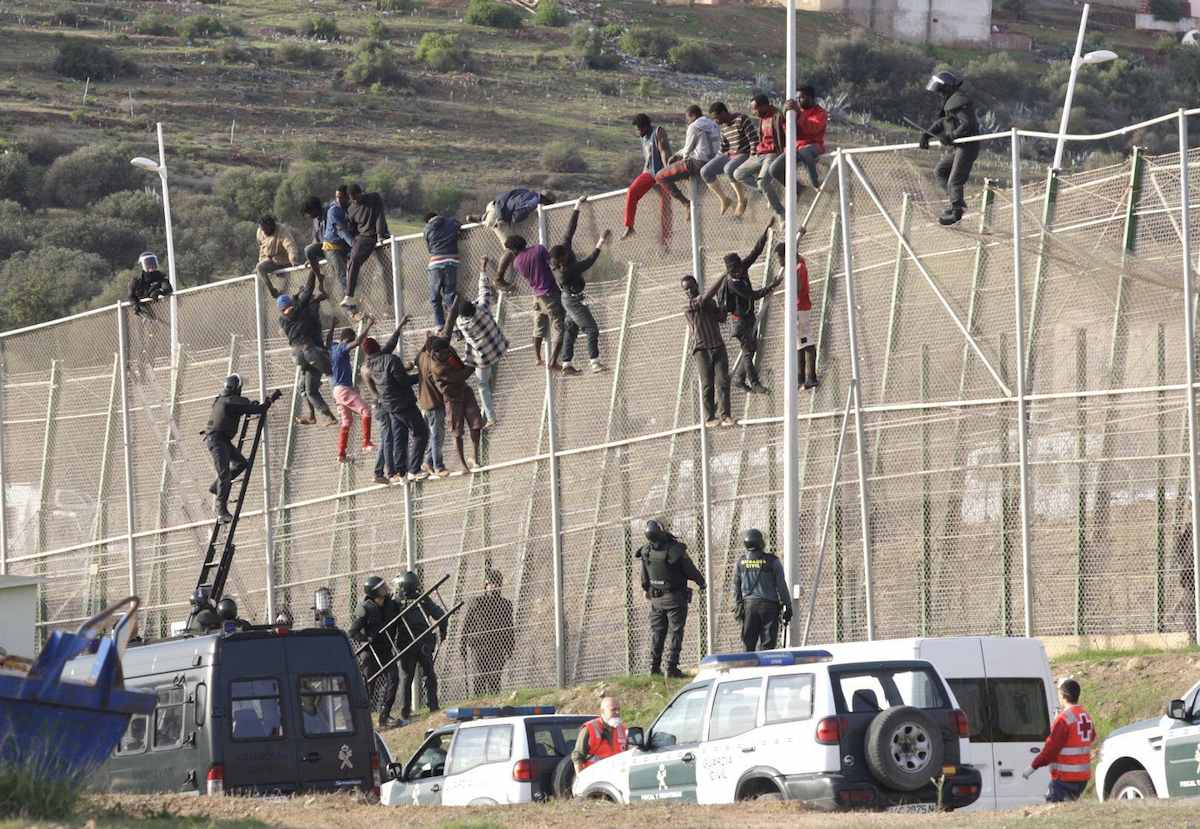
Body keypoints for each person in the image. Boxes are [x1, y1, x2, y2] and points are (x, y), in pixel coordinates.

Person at [261, 268, 338, 426]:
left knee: (307, 389)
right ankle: (344, 400)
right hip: (309, 350)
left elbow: (307, 297)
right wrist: (313, 269)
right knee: (333, 373)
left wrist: (305, 297)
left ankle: (325, 416)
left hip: (296, 356)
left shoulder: (282, 319)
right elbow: (309, 289)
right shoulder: (300, 309)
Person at [548, 197, 612, 376]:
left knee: (571, 329)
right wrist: (601, 241)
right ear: (561, 259)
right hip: (573, 301)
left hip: (570, 298)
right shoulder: (565, 270)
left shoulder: (562, 253)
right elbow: (589, 261)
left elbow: (570, 230)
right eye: (566, 254)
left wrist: (577, 205)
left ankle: (566, 364)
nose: (569, 252)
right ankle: (595, 363)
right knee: (592, 329)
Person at [202, 374, 277, 524]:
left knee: (241, 463)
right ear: (236, 388)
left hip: (221, 440)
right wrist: (269, 401)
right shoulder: (231, 402)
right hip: (217, 440)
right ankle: (221, 510)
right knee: (225, 475)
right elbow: (258, 409)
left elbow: (245, 408)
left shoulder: (221, 399)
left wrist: (251, 406)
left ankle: (216, 487)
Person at [362, 320, 430, 484]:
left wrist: (399, 328)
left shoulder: (369, 366)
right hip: (403, 404)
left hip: (390, 407)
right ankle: (414, 469)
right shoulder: (391, 360)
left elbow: (390, 345)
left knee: (400, 438)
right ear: (378, 347)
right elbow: (404, 382)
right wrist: (422, 377)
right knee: (421, 433)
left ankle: (401, 473)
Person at [638, 519, 706, 678]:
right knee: (676, 633)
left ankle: (654, 667)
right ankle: (671, 668)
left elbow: (643, 576)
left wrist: (646, 589)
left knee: (658, 633)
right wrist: (701, 582)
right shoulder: (676, 550)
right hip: (675, 598)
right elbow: (690, 570)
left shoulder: (646, 551)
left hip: (656, 600)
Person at [722, 225, 782, 394]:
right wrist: (772, 286)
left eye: (741, 267)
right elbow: (752, 295)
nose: (741, 271)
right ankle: (754, 383)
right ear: (731, 271)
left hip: (748, 317)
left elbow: (755, 253)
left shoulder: (741, 270)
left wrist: (765, 234)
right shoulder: (733, 284)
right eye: (737, 270)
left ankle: (739, 379)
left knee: (750, 349)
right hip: (740, 322)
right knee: (748, 351)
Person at [495, 234, 566, 369]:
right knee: (560, 328)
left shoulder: (517, 263)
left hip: (537, 296)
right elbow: (552, 264)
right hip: (550, 294)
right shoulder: (539, 249)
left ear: (513, 250)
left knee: (538, 328)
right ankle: (553, 361)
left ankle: (538, 358)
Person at [452, 261, 508, 428]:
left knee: (482, 385)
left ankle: (491, 417)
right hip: (499, 348)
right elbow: (484, 290)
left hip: (483, 359)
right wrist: (482, 268)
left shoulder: (462, 324)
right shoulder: (482, 308)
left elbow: (457, 329)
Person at [919, 71, 979, 227]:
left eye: (940, 91)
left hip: (967, 147)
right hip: (958, 147)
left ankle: (957, 213)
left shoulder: (960, 101)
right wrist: (926, 135)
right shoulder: (952, 101)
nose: (939, 94)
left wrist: (950, 136)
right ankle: (956, 204)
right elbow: (942, 122)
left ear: (945, 88)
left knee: (954, 181)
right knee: (940, 171)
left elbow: (968, 124)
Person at [422, 326, 483, 472]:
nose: (448, 353)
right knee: (457, 432)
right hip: (453, 398)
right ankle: (463, 464)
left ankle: (474, 457)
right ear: (436, 353)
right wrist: (475, 363)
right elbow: (460, 376)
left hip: (465, 391)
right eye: (444, 352)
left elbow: (449, 324)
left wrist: (456, 304)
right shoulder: (437, 367)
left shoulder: (447, 350)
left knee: (476, 424)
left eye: (448, 350)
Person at [1023, 678, 1094, 802]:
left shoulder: (1063, 719)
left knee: (1054, 810)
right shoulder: (1085, 715)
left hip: (1065, 777)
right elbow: (1090, 736)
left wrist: (1032, 768)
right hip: (1082, 777)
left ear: (1062, 696)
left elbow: (1051, 749)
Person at [393, 571, 448, 719]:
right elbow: (442, 616)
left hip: (406, 645)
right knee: (429, 674)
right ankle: (433, 705)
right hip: (424, 642)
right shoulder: (423, 599)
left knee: (406, 677)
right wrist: (443, 633)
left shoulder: (397, 602)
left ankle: (405, 711)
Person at [349, 575, 401, 729]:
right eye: (381, 588)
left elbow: (400, 612)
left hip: (385, 650)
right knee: (369, 687)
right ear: (374, 592)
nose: (384, 590)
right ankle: (362, 720)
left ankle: (385, 716)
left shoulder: (390, 604)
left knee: (394, 678)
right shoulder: (365, 607)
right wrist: (366, 639)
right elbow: (353, 632)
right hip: (370, 653)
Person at [681, 272, 732, 427]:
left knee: (723, 381)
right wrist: (723, 276)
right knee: (707, 384)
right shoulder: (688, 307)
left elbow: (721, 318)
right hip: (701, 350)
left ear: (696, 285)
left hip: (717, 345)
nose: (689, 292)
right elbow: (706, 297)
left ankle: (725, 416)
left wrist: (724, 304)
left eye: (690, 288)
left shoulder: (709, 302)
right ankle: (710, 418)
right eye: (686, 290)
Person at [327, 315, 376, 464]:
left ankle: (341, 453)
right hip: (343, 389)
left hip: (337, 391)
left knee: (346, 421)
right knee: (366, 410)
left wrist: (333, 325)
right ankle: (366, 443)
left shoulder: (333, 347)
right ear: (347, 339)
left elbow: (328, 341)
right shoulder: (341, 348)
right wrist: (368, 326)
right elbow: (356, 342)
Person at [733, 528, 792, 651]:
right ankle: (766, 669)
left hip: (749, 607)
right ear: (761, 543)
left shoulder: (741, 562)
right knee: (768, 645)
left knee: (748, 644)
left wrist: (738, 605)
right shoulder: (773, 561)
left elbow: (736, 587)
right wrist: (788, 605)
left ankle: (748, 668)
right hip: (769, 607)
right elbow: (781, 586)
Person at [459, 568, 514, 695]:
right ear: (486, 585)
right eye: (491, 584)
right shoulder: (477, 602)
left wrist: (510, 646)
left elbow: (509, 627)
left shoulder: (505, 604)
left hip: (497, 646)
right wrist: (462, 644)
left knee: (495, 679)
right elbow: (467, 624)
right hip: (479, 646)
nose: (494, 587)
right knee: (479, 678)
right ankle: (479, 703)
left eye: (497, 584)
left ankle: (494, 705)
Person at [654, 105, 721, 208]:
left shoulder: (694, 126)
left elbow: (687, 150)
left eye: (687, 118)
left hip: (698, 162)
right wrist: (678, 155)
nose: (687, 121)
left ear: (692, 115)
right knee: (697, 197)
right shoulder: (714, 124)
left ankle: (685, 203)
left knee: (660, 176)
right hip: (713, 163)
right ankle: (694, 209)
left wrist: (677, 157)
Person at [621, 113, 674, 243]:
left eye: (639, 129)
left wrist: (667, 170)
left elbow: (664, 151)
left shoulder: (658, 132)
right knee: (632, 192)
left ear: (645, 126)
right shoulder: (643, 137)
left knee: (665, 206)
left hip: (662, 173)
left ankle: (665, 239)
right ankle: (629, 226)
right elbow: (648, 158)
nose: (637, 132)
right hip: (649, 173)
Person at [702, 102, 759, 217]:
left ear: (723, 113)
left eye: (716, 118)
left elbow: (753, 139)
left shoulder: (742, 119)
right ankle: (724, 199)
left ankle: (741, 200)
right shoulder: (723, 127)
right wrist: (715, 161)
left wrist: (753, 156)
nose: (715, 121)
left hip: (745, 153)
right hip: (730, 155)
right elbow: (724, 147)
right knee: (705, 171)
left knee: (728, 168)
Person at [733, 95, 787, 217]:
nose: (753, 112)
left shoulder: (778, 116)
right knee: (738, 174)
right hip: (760, 153)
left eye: (755, 109)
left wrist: (785, 152)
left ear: (765, 106)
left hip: (773, 153)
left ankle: (782, 214)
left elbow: (788, 134)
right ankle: (768, 191)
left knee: (762, 182)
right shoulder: (762, 118)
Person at [344, 183, 391, 313]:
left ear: (361, 193)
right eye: (352, 198)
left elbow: (379, 216)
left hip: (379, 238)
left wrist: (381, 234)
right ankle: (355, 298)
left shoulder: (374, 198)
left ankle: (390, 303)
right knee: (357, 264)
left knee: (389, 267)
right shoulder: (351, 210)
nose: (354, 200)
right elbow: (352, 230)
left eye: (356, 196)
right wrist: (354, 245)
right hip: (364, 239)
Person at [777, 86, 827, 190]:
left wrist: (799, 115)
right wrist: (785, 115)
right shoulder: (795, 112)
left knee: (805, 151)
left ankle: (816, 182)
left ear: (811, 98)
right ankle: (799, 189)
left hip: (814, 145)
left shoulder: (820, 112)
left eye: (802, 97)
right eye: (797, 98)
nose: (799, 100)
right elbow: (789, 132)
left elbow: (812, 129)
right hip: (795, 148)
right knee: (774, 169)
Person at [414, 332, 450, 478]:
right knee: (437, 436)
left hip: (424, 403)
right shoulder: (433, 363)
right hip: (434, 404)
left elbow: (420, 353)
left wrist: (428, 340)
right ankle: (438, 466)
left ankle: (428, 461)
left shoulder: (421, 357)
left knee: (434, 435)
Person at [469, 188, 556, 244]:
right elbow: (516, 217)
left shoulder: (526, 192)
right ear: (546, 201)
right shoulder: (534, 202)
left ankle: (482, 218)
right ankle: (502, 273)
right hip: (497, 217)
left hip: (492, 204)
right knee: (511, 247)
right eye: (548, 204)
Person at [423, 211, 465, 328]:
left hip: (436, 263)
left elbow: (429, 249)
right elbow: (459, 225)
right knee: (450, 295)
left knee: (435, 297)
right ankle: (456, 326)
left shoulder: (427, 228)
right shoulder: (451, 221)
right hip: (452, 262)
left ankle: (440, 325)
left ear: (428, 220)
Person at [571, 696, 627, 773]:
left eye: (618, 709)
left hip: (616, 775)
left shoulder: (622, 729)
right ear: (602, 711)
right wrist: (580, 778)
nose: (617, 712)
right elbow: (577, 756)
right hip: (594, 776)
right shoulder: (589, 728)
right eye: (613, 710)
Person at [255, 214, 301, 281]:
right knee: (259, 269)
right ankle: (272, 290)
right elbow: (262, 248)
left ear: (271, 225)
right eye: (262, 229)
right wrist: (261, 261)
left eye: (265, 229)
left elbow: (290, 245)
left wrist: (293, 259)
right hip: (269, 261)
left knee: (286, 283)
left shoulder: (281, 230)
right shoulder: (259, 232)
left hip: (283, 261)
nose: (264, 231)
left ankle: (286, 287)